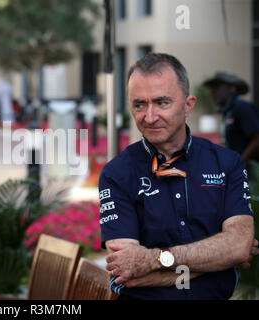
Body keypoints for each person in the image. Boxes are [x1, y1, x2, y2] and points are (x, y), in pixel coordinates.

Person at [99, 53, 259, 300]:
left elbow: (238, 248)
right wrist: (218, 259)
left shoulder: (227, 164)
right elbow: (128, 273)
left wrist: (154, 259)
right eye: (139, 104)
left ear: (188, 105)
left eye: (162, 102)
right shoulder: (117, 174)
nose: (149, 117)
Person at [203, 71, 259, 163]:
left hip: (251, 171)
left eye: (217, 87)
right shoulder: (228, 112)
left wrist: (240, 162)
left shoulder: (243, 108)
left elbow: (257, 140)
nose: (212, 92)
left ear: (232, 88)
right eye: (211, 88)